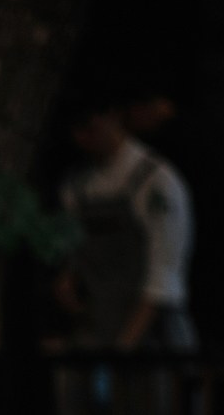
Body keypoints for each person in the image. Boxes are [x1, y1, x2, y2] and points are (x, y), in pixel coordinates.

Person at [57, 91, 195, 353]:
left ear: (113, 116)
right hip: (95, 329)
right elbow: (73, 255)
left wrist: (122, 348)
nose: (82, 138)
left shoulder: (156, 181)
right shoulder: (76, 185)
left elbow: (163, 278)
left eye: (89, 125)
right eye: (74, 129)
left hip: (153, 339)